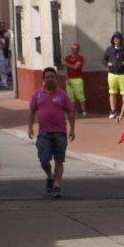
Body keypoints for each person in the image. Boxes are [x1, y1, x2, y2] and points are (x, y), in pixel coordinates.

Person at [27, 67, 75, 199]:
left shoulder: (62, 94)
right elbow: (32, 112)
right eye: (47, 77)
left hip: (60, 133)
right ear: (43, 79)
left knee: (59, 160)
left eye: (52, 77)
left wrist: (72, 129)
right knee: (44, 160)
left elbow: (70, 112)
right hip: (44, 134)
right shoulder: (37, 94)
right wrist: (30, 127)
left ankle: (57, 186)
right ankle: (50, 176)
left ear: (56, 79)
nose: (50, 79)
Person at [102, 32, 124, 119]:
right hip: (112, 74)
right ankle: (113, 111)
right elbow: (104, 60)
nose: (116, 40)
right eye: (115, 38)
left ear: (121, 39)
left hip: (123, 74)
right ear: (112, 40)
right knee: (112, 93)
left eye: (118, 38)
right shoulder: (109, 49)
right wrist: (108, 63)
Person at [62, 43, 86, 115]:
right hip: (69, 79)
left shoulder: (80, 58)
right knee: (70, 97)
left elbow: (76, 67)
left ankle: (83, 111)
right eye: (72, 48)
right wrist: (67, 79)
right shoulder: (67, 58)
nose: (74, 50)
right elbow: (65, 70)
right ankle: (72, 111)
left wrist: (66, 64)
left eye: (75, 48)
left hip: (78, 79)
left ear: (78, 49)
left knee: (80, 96)